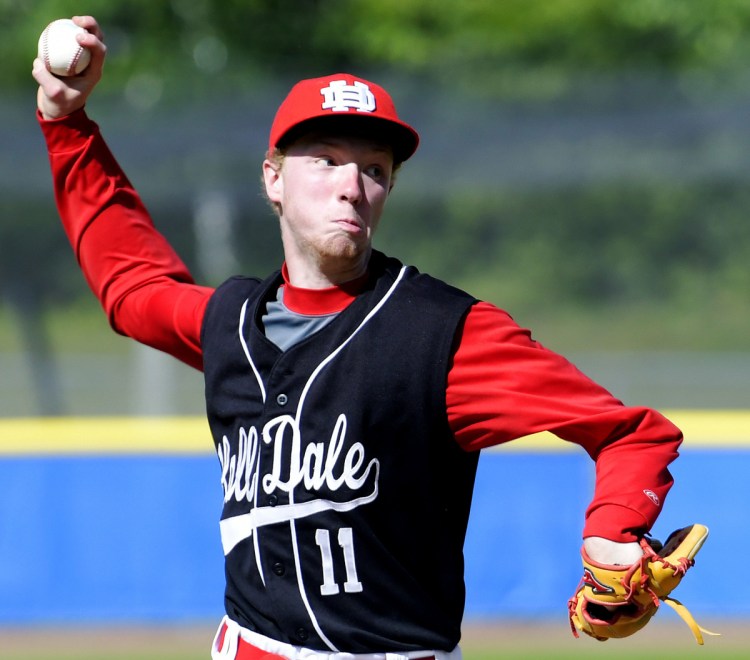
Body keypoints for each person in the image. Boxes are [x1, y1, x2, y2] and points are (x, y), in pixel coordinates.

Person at [33, 16, 682, 660]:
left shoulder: (445, 335)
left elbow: (630, 432)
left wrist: (613, 530)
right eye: (326, 160)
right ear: (273, 178)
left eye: (373, 168)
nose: (351, 185)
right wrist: (67, 126)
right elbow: (130, 285)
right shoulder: (230, 322)